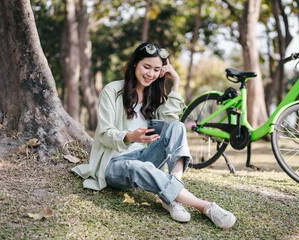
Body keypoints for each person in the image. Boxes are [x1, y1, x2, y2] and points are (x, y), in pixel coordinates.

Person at [72, 42, 236, 229]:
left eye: (156, 69)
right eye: (146, 67)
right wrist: (129, 136)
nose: (150, 74)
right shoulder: (112, 91)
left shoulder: (154, 96)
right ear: (135, 64)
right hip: (114, 164)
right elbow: (103, 134)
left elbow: (171, 122)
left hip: (144, 157)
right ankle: (205, 206)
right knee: (136, 166)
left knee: (177, 127)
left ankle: (171, 199)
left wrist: (176, 83)